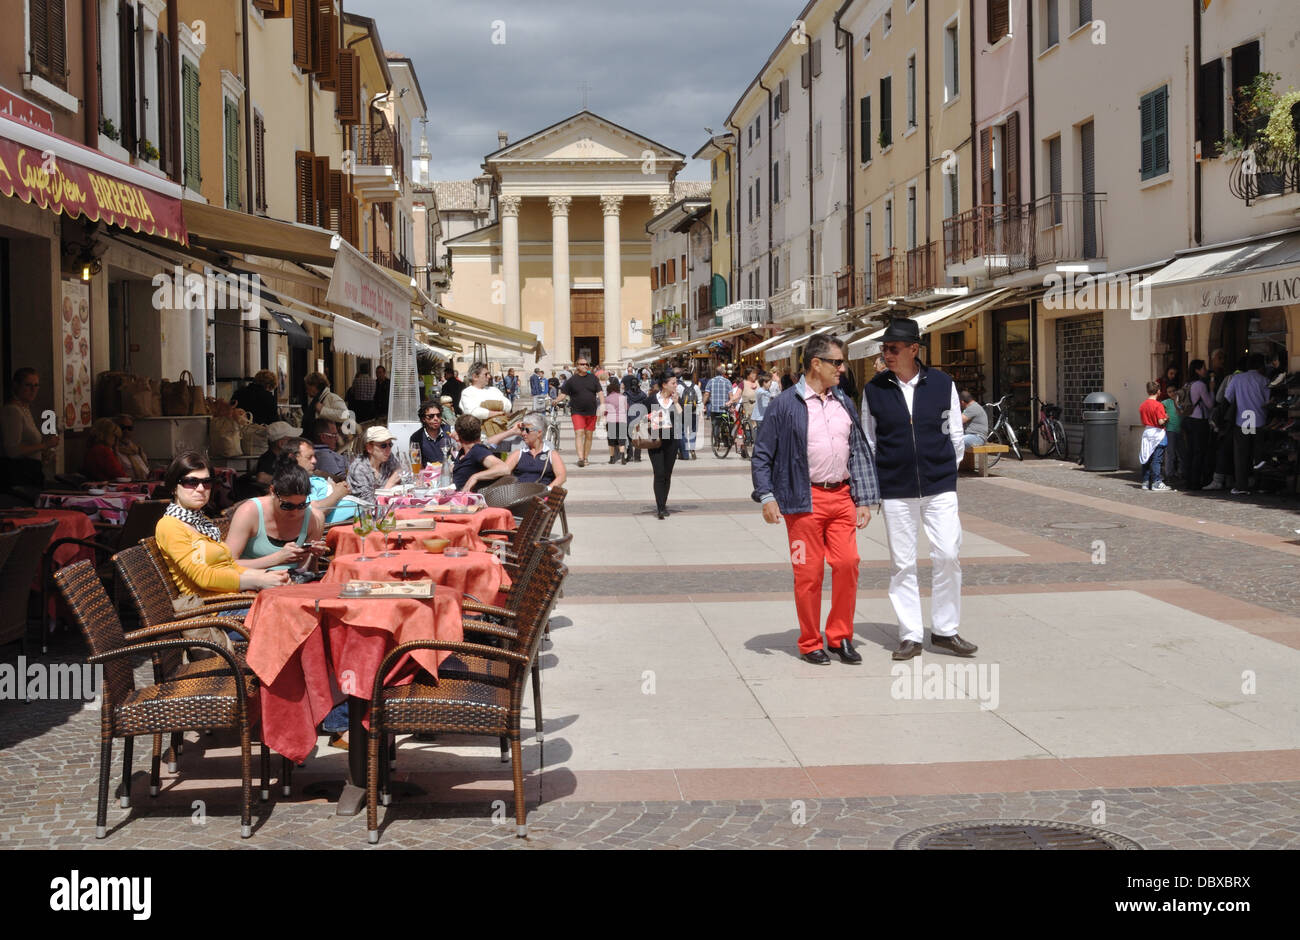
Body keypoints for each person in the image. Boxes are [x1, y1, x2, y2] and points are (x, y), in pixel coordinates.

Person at [752, 334, 878, 665]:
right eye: (837, 362)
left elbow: (858, 453)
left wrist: (863, 499)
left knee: (848, 564)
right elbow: (762, 453)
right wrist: (766, 495)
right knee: (808, 573)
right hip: (801, 501)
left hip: (841, 498)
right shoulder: (784, 405)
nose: (843, 368)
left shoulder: (844, 402)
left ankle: (839, 636)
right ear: (816, 364)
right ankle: (810, 641)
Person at [863, 318, 977, 662]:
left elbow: (955, 433)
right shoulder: (874, 389)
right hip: (896, 488)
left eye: (893, 348)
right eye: (884, 348)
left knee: (947, 554)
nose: (887, 354)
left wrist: (943, 468)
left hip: (939, 486)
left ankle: (945, 630)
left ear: (914, 349)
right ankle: (910, 634)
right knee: (902, 564)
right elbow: (870, 440)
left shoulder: (943, 383)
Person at [154, 451, 288, 598]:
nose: (200, 488)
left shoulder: (202, 521)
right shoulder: (170, 525)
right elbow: (202, 577)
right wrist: (257, 580)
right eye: (191, 482)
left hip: (237, 597)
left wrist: (269, 576)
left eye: (206, 482)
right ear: (174, 487)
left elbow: (230, 566)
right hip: (214, 608)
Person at [225, 458, 327, 571]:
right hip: (253, 582)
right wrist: (277, 558)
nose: (295, 512)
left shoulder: (315, 518)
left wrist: (314, 557)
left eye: (302, 505)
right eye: (287, 506)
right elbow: (227, 565)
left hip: (294, 582)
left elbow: (308, 571)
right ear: (272, 491)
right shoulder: (249, 512)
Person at [467, 412, 567, 491]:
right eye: (522, 429)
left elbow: (562, 476)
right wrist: (512, 432)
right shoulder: (518, 453)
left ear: (539, 433)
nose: (523, 433)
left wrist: (547, 489)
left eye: (527, 430)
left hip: (541, 498)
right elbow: (488, 447)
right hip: (519, 496)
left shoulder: (550, 453)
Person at [1, 367, 58, 490]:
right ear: (17, 386)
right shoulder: (13, 410)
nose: (33, 390)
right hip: (19, 474)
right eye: (28, 385)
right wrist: (45, 445)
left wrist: (42, 454)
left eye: (36, 385)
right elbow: (12, 450)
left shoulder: (25, 409)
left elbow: (28, 446)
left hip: (31, 471)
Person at [1224, 352, 1269, 496]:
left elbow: (1227, 397)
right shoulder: (1264, 380)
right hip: (1259, 421)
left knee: (1242, 455)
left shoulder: (1237, 379)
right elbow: (1268, 401)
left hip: (1243, 421)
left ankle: (1242, 485)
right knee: (1259, 455)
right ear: (1261, 365)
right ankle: (1260, 483)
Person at [291, 437, 354, 524]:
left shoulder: (313, 478)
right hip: (347, 523)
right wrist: (338, 493)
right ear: (293, 458)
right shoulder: (295, 483)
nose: (314, 461)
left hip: (359, 514)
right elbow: (313, 512)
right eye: (309, 457)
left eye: (314, 456)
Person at [645, 371, 682, 519]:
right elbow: (639, 416)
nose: (676, 385)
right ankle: (660, 507)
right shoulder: (651, 400)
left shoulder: (676, 399)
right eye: (673, 383)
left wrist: (677, 402)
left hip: (672, 440)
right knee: (659, 473)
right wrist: (648, 419)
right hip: (655, 440)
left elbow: (682, 417)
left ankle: (663, 503)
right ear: (664, 385)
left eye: (676, 382)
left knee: (667, 474)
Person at [557, 357, 604, 467]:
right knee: (579, 433)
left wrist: (602, 405)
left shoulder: (593, 378)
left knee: (589, 435)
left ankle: (586, 457)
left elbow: (600, 393)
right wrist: (555, 400)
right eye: (582, 364)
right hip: (577, 411)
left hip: (591, 411)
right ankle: (580, 458)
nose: (585, 366)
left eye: (586, 364)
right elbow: (563, 394)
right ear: (577, 366)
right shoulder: (572, 380)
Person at [346, 426, 403, 504]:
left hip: (389, 507)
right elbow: (368, 503)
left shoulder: (388, 458)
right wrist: (390, 484)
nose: (388, 449)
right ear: (369, 448)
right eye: (383, 445)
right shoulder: (359, 468)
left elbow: (403, 477)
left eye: (390, 444)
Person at [450, 414, 507, 491]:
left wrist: (475, 477)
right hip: (456, 495)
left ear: (458, 433)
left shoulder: (478, 451)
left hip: (468, 500)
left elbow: (504, 468)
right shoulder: (464, 451)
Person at [1184, 359, 1213, 490]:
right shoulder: (1200, 385)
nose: (1205, 370)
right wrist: (1211, 390)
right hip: (1199, 421)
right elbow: (1210, 404)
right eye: (1203, 368)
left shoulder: (1187, 384)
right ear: (1197, 370)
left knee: (1190, 451)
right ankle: (1196, 481)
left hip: (1187, 420)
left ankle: (1188, 479)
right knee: (1199, 451)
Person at [1138, 380, 1170, 492]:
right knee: (1157, 459)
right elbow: (1161, 421)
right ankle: (1157, 482)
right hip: (1158, 433)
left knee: (1147, 457)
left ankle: (1145, 482)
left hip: (1147, 432)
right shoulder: (1158, 405)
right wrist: (1166, 417)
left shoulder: (1142, 405)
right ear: (1158, 391)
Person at [302, 372, 345, 443]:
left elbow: (344, 415)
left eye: (308, 387)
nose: (306, 390)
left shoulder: (331, 397)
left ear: (315, 386)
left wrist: (323, 410)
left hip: (327, 441)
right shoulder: (317, 399)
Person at [410, 400, 455, 467]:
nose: (436, 418)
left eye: (438, 415)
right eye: (431, 416)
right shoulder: (416, 438)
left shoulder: (451, 431)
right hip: (428, 475)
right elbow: (417, 464)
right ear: (423, 419)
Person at [256, 421, 301, 485]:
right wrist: (288, 482)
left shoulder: (287, 457)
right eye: (291, 440)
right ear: (281, 443)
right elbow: (261, 478)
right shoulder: (268, 458)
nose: (295, 443)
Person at [702, 364, 735, 445]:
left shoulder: (711, 381)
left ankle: (716, 441)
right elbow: (731, 395)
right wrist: (732, 405)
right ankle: (725, 440)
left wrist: (703, 404)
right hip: (725, 408)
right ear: (723, 372)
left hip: (714, 408)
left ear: (715, 373)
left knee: (715, 424)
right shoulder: (727, 381)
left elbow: (706, 394)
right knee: (725, 423)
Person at [312, 410, 350, 479]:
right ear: (323, 437)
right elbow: (339, 479)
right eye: (334, 435)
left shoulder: (317, 451)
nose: (336, 439)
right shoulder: (324, 455)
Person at [113, 415, 150, 480]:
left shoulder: (136, 449)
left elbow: (146, 467)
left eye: (129, 428)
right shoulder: (114, 450)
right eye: (123, 428)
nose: (126, 431)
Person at [1160, 383, 1184, 486]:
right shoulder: (1167, 402)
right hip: (1170, 430)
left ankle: (1181, 472)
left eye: (1174, 391)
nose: (1172, 393)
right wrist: (1164, 416)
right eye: (1169, 392)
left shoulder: (1181, 401)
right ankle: (1169, 474)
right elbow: (1159, 407)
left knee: (1181, 453)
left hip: (1181, 430)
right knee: (1170, 453)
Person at [623, 377, 649, 464]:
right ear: (638, 384)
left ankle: (630, 456)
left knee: (630, 438)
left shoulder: (625, 394)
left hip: (629, 418)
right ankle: (637, 457)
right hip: (640, 418)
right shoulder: (643, 395)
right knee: (638, 436)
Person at [603, 379, 627, 464]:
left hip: (611, 421)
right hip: (622, 420)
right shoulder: (623, 397)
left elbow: (605, 411)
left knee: (611, 440)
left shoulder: (607, 398)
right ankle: (623, 457)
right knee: (622, 439)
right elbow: (626, 408)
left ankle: (612, 458)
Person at [678, 371, 701, 459]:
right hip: (693, 412)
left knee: (682, 432)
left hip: (683, 412)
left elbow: (677, 400)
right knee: (693, 431)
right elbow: (699, 400)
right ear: (691, 377)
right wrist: (698, 412)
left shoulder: (679, 387)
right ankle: (692, 448)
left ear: (682, 378)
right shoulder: (695, 387)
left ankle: (684, 453)